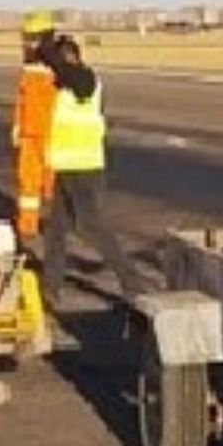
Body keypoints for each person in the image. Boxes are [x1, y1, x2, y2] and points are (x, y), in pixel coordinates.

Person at [41, 36, 148, 310]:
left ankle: (132, 282)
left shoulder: (86, 81)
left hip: (85, 168)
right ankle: (49, 289)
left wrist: (45, 49)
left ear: (71, 59)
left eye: (57, 62)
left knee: (92, 226)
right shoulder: (66, 86)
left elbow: (67, 74)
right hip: (66, 167)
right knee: (56, 232)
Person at [11, 11, 59, 242]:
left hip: (53, 134)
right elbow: (22, 99)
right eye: (26, 38)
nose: (27, 43)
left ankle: (55, 225)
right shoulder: (28, 67)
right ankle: (27, 227)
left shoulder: (60, 65)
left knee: (53, 184)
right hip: (30, 134)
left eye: (31, 38)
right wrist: (18, 126)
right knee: (27, 183)